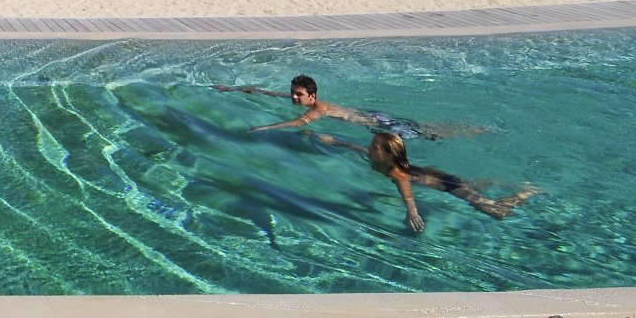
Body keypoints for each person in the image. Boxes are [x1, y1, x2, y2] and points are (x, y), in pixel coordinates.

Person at [317, 131, 534, 232]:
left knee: (497, 212)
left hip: (446, 186)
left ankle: (524, 193)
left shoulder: (396, 173)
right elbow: (356, 148)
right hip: (436, 176)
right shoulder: (379, 160)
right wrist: (334, 141)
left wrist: (412, 212)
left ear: (388, 156)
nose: (369, 147)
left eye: (374, 147)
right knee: (471, 186)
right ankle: (496, 184)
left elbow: (407, 192)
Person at [214, 75, 450, 140]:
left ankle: (468, 131)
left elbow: (299, 122)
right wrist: (233, 89)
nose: (294, 98)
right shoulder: (299, 99)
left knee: (430, 136)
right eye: (293, 93)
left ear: (312, 96)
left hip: (381, 125)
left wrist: (264, 128)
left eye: (299, 95)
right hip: (374, 118)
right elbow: (264, 92)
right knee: (427, 131)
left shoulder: (319, 108)